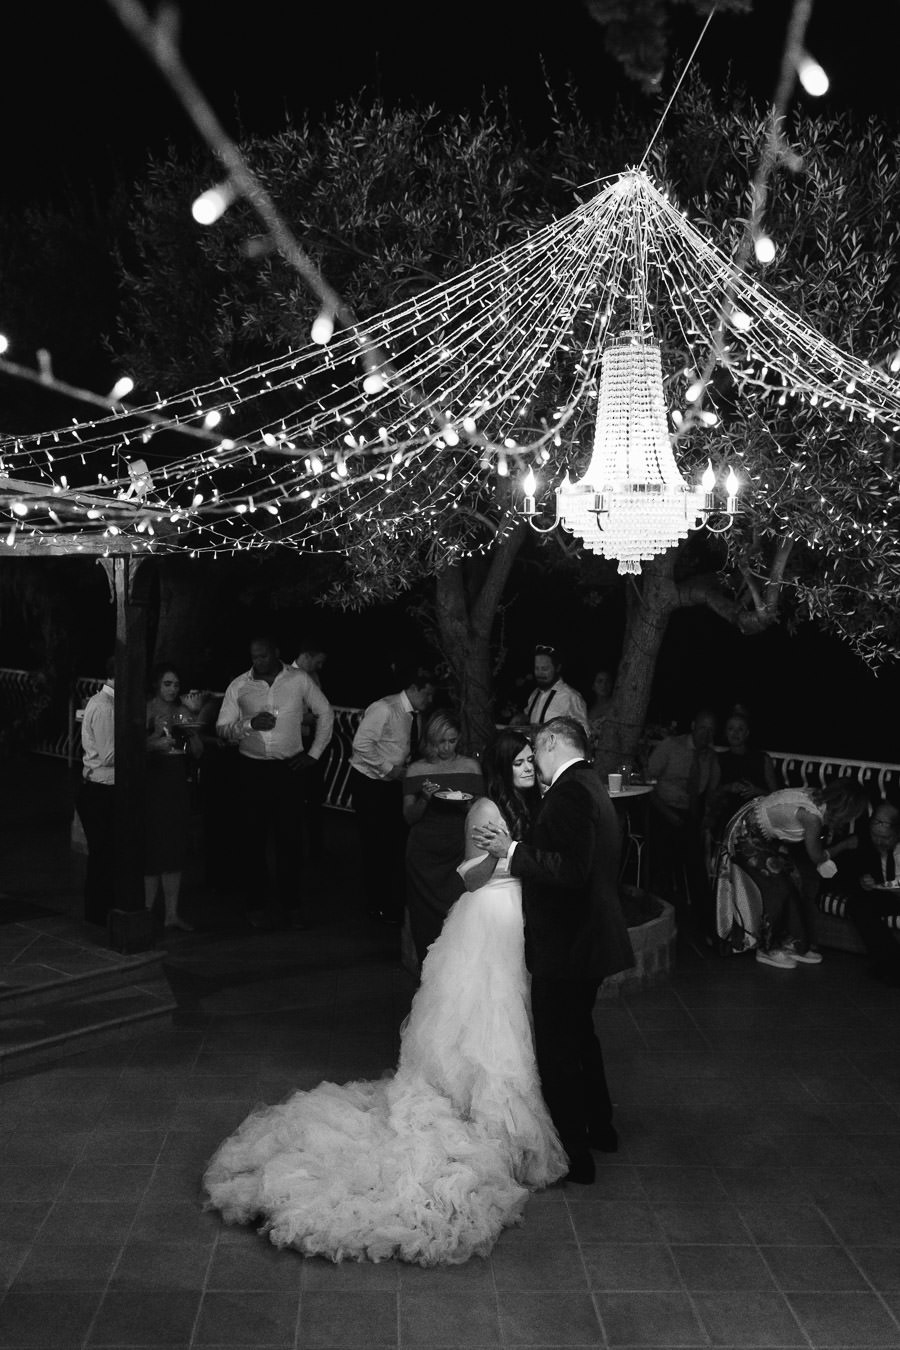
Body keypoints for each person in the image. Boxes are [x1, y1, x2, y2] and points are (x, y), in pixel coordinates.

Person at [203, 729, 567, 1264]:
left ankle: (495, 1112)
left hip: (514, 919)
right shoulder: (486, 806)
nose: (529, 766)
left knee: (507, 1017)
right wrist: (499, 856)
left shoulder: (532, 802)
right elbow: (468, 877)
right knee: (488, 1019)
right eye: (519, 761)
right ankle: (481, 1113)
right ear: (499, 766)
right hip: (487, 915)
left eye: (530, 759)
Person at [474, 716, 634, 1185]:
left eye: (534, 752)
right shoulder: (591, 785)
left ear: (549, 744)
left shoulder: (569, 793)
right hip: (588, 938)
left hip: (569, 944)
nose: (532, 764)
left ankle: (574, 1154)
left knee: (559, 1049)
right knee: (582, 1037)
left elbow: (572, 869)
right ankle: (601, 1127)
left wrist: (514, 850)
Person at [216, 636, 334, 929]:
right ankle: (255, 903)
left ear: (276, 653)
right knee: (253, 839)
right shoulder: (239, 685)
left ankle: (291, 904)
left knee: (290, 839)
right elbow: (222, 728)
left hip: (288, 769)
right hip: (251, 769)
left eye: (264, 656)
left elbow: (325, 712)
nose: (259, 662)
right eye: (254, 657)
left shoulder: (299, 680)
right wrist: (249, 724)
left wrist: (314, 754)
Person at [716, 780, 868, 968]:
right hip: (746, 832)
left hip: (764, 833)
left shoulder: (817, 797)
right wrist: (845, 845)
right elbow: (817, 856)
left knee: (794, 879)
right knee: (778, 889)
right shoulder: (812, 818)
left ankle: (794, 943)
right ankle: (768, 948)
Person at [349, 667, 436, 924]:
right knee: (374, 843)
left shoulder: (414, 716)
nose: (430, 701)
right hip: (370, 782)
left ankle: (391, 898)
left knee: (392, 841)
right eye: (428, 695)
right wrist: (391, 769)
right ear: (415, 689)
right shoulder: (386, 708)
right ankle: (376, 903)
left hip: (391, 783)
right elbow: (360, 745)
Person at [402, 710, 483, 965]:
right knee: (425, 920)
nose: (448, 748)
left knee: (459, 913)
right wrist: (425, 798)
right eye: (442, 742)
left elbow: (481, 812)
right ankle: (426, 971)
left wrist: (465, 805)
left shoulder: (470, 767)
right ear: (430, 740)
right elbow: (409, 817)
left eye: (453, 741)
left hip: (458, 848)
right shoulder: (417, 770)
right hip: (424, 852)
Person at [647, 708, 721, 932]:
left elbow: (711, 792)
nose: (705, 735)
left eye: (711, 731)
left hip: (689, 814)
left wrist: (708, 815)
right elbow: (648, 781)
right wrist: (666, 812)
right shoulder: (671, 746)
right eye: (702, 729)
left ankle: (706, 926)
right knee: (664, 862)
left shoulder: (709, 757)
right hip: (662, 809)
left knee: (696, 865)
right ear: (693, 727)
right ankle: (661, 917)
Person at [144, 664, 203, 932]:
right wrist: (155, 737)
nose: (172, 689)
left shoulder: (182, 711)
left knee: (175, 847)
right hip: (155, 782)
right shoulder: (146, 708)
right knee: (154, 847)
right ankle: (145, 910)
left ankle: (171, 913)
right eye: (167, 683)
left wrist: (191, 731)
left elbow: (198, 751)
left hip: (177, 780)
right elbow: (134, 747)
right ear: (158, 684)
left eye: (176, 684)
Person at [840, 799, 900, 986]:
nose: (879, 841)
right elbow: (849, 870)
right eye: (875, 836)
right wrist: (863, 882)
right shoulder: (867, 842)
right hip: (887, 893)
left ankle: (889, 965)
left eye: (886, 838)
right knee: (859, 906)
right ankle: (891, 963)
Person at [76, 657, 116, 927]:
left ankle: (100, 908)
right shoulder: (105, 707)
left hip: (99, 786)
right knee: (102, 852)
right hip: (101, 789)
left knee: (104, 852)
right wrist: (146, 742)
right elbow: (110, 754)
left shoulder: (104, 704)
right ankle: (97, 911)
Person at [708, 711, 778, 842]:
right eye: (731, 729)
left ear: (747, 733)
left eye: (740, 729)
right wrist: (728, 787)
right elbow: (711, 795)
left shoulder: (762, 759)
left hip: (756, 819)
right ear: (725, 733)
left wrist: (758, 791)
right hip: (727, 818)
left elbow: (776, 795)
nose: (735, 733)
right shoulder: (720, 760)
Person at [291, 639, 329, 864]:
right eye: (318, 661)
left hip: (313, 740)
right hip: (297, 742)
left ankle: (316, 848)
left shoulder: (313, 678)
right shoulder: (286, 677)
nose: (320, 666)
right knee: (297, 797)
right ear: (306, 655)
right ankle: (298, 847)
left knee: (315, 796)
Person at [521, 645, 589, 734]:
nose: (539, 673)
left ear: (557, 668)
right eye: (537, 668)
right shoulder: (534, 694)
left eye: (544, 669)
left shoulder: (571, 696)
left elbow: (585, 733)